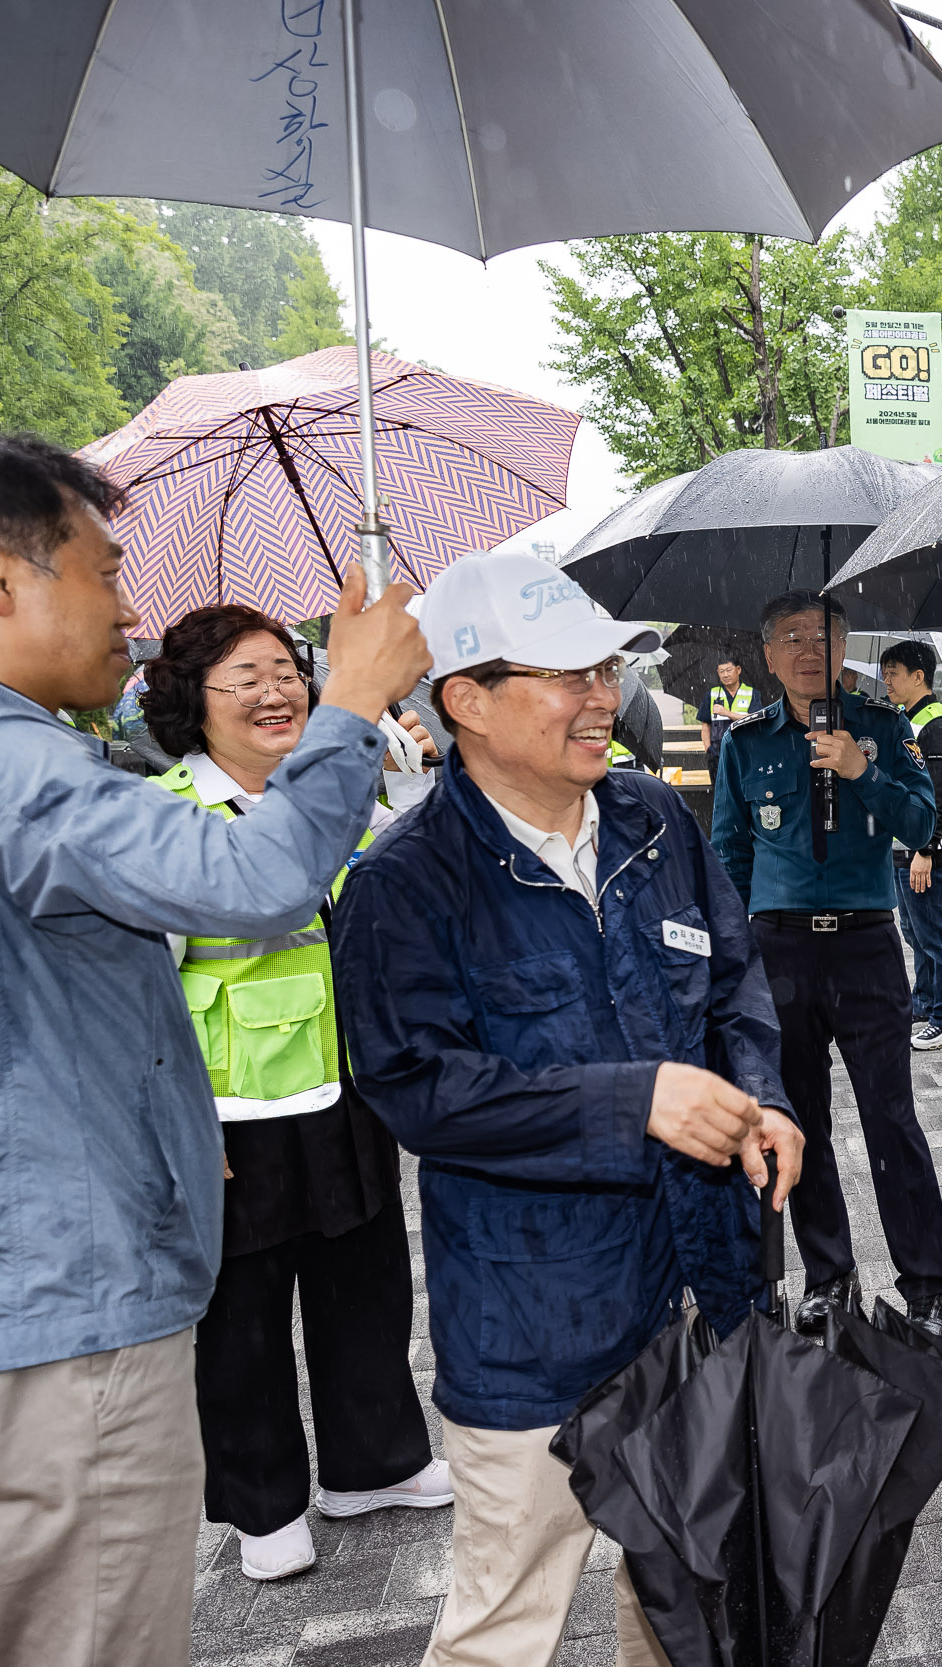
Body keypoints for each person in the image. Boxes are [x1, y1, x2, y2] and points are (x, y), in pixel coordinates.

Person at [0, 430, 430, 1667]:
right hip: (55, 1324)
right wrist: (356, 699)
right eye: (105, 572)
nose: (129, 608)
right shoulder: (10, 767)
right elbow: (261, 880)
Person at [334, 550, 804, 1667]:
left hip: (701, 1294)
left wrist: (764, 1100)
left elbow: (733, 979)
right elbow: (419, 1088)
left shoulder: (654, 819)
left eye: (606, 670)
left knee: (694, 1599)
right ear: (466, 701)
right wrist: (634, 1099)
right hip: (532, 1327)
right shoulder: (405, 882)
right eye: (567, 675)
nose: (604, 699)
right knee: (505, 1623)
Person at [138, 605, 448, 1583]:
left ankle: (374, 1460)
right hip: (231, 1110)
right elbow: (150, 991)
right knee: (241, 1316)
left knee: (365, 1283)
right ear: (193, 703)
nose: (277, 691)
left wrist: (405, 767)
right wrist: (180, 1120)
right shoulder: (167, 813)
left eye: (287, 669)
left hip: (345, 1085)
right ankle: (262, 1497)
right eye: (247, 677)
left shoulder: (343, 793)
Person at [711, 595, 942, 1342]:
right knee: (798, 1119)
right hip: (781, 951)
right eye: (790, 638)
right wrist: (739, 953)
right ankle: (828, 1274)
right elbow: (730, 851)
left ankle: (926, 1284)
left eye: (822, 635)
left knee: (891, 1118)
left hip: (865, 945)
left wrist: (861, 770)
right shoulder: (746, 742)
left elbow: (925, 822)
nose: (808, 649)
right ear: (769, 655)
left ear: (845, 644)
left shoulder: (883, 727)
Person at [882, 640, 942, 1049]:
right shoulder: (904, 718)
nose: (887, 680)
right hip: (904, 845)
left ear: (919, 676)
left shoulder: (936, 723)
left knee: (936, 933)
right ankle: (925, 1001)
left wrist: (926, 850)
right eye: (885, 672)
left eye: (893, 672)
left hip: (927, 850)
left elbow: (939, 794)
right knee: (914, 930)